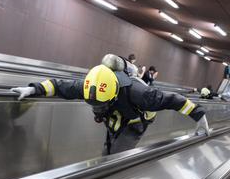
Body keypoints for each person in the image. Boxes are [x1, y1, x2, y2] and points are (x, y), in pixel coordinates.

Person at [11, 54, 210, 155]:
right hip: (115, 117)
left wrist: (199, 116)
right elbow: (59, 86)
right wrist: (33, 89)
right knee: (108, 150)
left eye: (101, 104)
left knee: (117, 155)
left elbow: (174, 100)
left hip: (135, 120)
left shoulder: (140, 93)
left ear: (114, 92)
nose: (96, 108)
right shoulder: (91, 85)